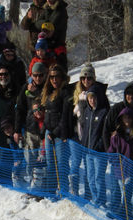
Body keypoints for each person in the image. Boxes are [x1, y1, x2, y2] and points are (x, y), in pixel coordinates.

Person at [64, 63, 109, 197]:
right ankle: (78, 192)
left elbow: (106, 119)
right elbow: (67, 114)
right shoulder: (74, 93)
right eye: (83, 78)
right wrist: (66, 132)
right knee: (81, 166)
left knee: (93, 172)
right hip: (79, 136)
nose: (86, 81)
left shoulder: (100, 95)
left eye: (89, 78)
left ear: (93, 79)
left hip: (93, 139)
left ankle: (92, 196)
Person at [41, 64, 70, 193]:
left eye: (57, 77)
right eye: (52, 77)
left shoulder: (65, 93)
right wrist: (44, 130)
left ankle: (64, 192)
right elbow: (47, 114)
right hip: (49, 132)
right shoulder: (48, 92)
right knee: (50, 164)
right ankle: (51, 191)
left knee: (61, 166)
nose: (54, 80)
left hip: (59, 134)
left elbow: (65, 117)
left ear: (62, 77)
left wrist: (55, 132)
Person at [107, 107, 133, 219]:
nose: (127, 119)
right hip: (121, 171)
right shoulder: (117, 136)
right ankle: (125, 215)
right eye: (124, 117)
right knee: (124, 195)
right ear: (121, 119)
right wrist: (117, 163)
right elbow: (111, 153)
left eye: (129, 117)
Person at [79, 85, 109, 207]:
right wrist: (83, 145)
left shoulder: (104, 112)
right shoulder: (87, 111)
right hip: (88, 152)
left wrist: (99, 145)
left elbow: (105, 133)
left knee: (98, 178)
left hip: (99, 152)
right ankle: (96, 199)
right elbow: (85, 131)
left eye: (94, 98)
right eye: (90, 98)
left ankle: (101, 201)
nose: (92, 100)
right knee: (90, 178)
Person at [14, 61, 47, 145]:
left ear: (44, 75)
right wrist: (17, 130)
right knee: (30, 157)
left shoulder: (48, 87)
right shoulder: (26, 87)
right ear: (31, 75)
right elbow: (19, 108)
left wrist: (36, 92)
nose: (38, 78)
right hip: (30, 129)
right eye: (35, 75)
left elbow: (49, 103)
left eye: (40, 75)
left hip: (45, 129)